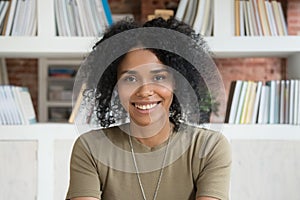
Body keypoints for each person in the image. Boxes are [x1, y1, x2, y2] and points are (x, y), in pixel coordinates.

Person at [66, 17, 231, 200]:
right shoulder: (90, 148)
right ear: (115, 85)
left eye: (159, 77)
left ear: (176, 81)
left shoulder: (209, 147)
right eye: (130, 79)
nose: (145, 91)